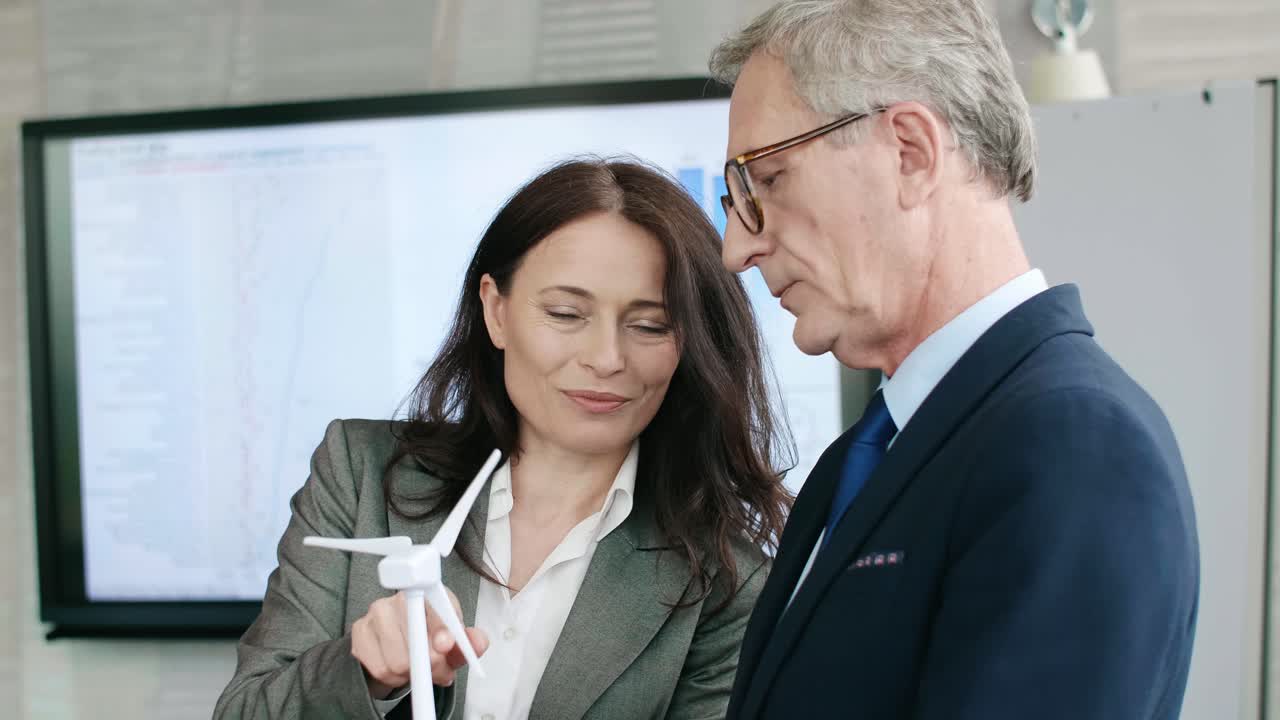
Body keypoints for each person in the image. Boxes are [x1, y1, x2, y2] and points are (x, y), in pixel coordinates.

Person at [707, 2, 1200, 719]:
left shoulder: (1077, 445)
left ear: (909, 151)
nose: (736, 249)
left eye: (769, 181)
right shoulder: (864, 459)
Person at [213, 157, 792, 719]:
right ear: (496, 311)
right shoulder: (359, 472)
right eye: (566, 314)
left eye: (649, 325)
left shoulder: (726, 581)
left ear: (686, 343)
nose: (607, 359)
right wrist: (362, 673)